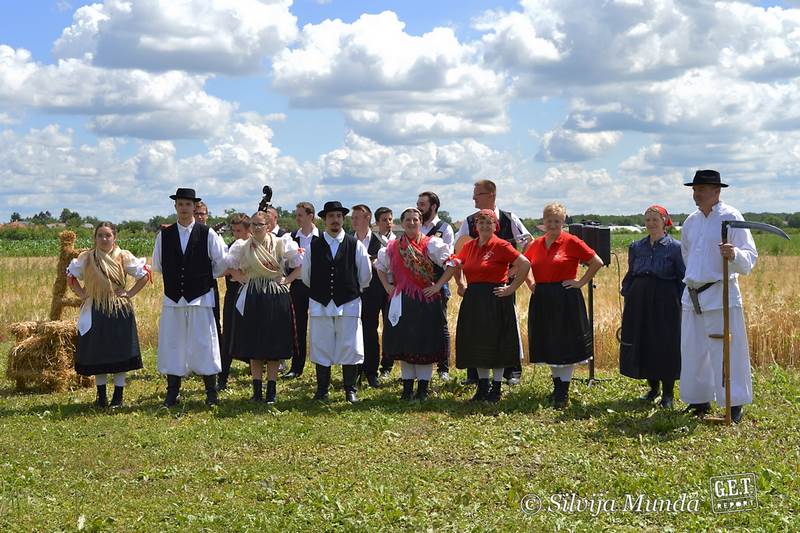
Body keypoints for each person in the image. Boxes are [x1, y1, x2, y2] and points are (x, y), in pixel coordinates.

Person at [425, 209, 530, 402]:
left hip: (496, 297)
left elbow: (524, 264)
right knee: (478, 342)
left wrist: (511, 288)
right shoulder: (469, 247)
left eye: (488, 223)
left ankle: (496, 389)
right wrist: (444, 285)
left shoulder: (502, 245)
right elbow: (454, 265)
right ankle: (482, 388)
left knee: (496, 343)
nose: (484, 226)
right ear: (475, 226)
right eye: (480, 223)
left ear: (495, 226)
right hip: (474, 299)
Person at [679, 170, 757, 423]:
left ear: (716, 191)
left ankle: (733, 404)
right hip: (692, 295)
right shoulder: (691, 221)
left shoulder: (730, 217)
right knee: (693, 349)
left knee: (726, 349)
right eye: (695, 188)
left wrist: (733, 254)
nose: (696, 193)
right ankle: (698, 400)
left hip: (720, 292)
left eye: (701, 189)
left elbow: (750, 257)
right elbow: (687, 255)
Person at [152, 188, 227, 407]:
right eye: (180, 204)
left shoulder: (207, 234)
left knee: (204, 343)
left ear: (194, 207)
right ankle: (172, 392)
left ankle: (211, 392)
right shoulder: (164, 235)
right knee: (173, 344)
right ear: (175, 207)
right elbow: (158, 265)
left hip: (201, 298)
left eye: (188, 204)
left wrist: (204, 277)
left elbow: (221, 263)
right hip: (173, 299)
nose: (184, 208)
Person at [524, 202, 604, 408]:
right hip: (543, 297)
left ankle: (563, 393)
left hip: (565, 297)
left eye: (557, 221)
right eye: (549, 220)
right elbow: (522, 265)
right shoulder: (536, 244)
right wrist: (531, 283)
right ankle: (557, 386)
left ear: (563, 222)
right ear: (543, 221)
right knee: (549, 342)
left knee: (565, 344)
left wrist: (580, 282)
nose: (552, 225)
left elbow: (597, 261)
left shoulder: (571, 241)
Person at [454, 179, 532, 386]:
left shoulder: (509, 218)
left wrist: (513, 272)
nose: (473, 198)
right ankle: (476, 374)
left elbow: (527, 242)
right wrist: (461, 282)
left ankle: (512, 370)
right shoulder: (469, 221)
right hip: (476, 288)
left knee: (506, 327)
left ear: (491, 195)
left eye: (477, 194)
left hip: (501, 286)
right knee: (476, 330)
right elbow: (457, 251)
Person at [66, 222, 150, 407]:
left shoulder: (123, 256)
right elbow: (71, 277)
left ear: (114, 237)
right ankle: (101, 397)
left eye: (107, 235)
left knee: (120, 353)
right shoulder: (86, 258)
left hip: (119, 309)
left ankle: (118, 397)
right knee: (99, 353)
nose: (104, 239)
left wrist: (129, 293)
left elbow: (144, 275)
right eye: (100, 235)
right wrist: (82, 295)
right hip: (96, 309)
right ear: (95, 238)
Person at [224, 211, 301, 404]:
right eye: (253, 224)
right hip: (253, 296)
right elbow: (227, 265)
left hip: (275, 297)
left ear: (268, 225)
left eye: (260, 224)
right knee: (254, 343)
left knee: (273, 345)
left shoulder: (281, 243)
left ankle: (272, 391)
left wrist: (287, 280)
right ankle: (257, 391)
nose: (256, 228)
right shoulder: (243, 246)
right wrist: (241, 278)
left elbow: (299, 264)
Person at [375, 207, 452, 401]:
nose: (411, 223)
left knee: (423, 344)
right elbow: (380, 267)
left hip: (426, 300)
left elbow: (452, 263)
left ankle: (423, 390)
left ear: (420, 222)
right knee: (406, 344)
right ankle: (407, 389)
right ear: (402, 222)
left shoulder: (432, 244)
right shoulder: (392, 247)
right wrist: (387, 287)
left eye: (415, 220)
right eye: (407, 219)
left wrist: (438, 287)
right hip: (402, 300)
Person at [301, 201, 372, 403]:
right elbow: (306, 276)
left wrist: (349, 290)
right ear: (324, 220)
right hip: (320, 303)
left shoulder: (355, 244)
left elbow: (365, 276)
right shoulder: (313, 246)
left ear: (343, 219)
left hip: (348, 302)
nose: (335, 220)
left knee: (350, 346)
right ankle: (322, 389)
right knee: (321, 345)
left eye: (339, 216)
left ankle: (350, 389)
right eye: (331, 216)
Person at [619, 205, 685, 408]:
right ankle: (652, 389)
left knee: (665, 344)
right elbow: (631, 273)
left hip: (665, 300)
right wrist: (628, 292)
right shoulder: (636, 246)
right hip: (639, 299)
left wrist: (680, 302)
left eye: (655, 219)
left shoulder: (675, 247)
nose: (651, 223)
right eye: (647, 220)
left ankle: (668, 394)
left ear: (665, 221)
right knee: (644, 341)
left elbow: (682, 276)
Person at [417, 191, 455, 382]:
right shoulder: (415, 227)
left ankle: (443, 368)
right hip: (415, 287)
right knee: (417, 327)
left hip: (438, 285)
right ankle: (419, 365)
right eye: (418, 204)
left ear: (433, 207)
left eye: (422, 204)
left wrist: (439, 285)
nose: (418, 208)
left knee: (441, 327)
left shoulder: (445, 229)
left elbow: (448, 260)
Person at [351, 204, 388, 388]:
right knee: (354, 333)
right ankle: (355, 371)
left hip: (374, 293)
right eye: (352, 217)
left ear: (367, 219)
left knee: (371, 331)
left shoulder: (381, 242)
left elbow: (389, 268)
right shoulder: (348, 241)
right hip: (353, 294)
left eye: (357, 217)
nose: (353, 221)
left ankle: (372, 372)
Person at [282, 202, 319, 379]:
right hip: (297, 285)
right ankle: (297, 367)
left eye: (300, 215)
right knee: (298, 327)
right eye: (296, 215)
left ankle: (322, 366)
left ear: (310, 216)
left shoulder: (322, 237)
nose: (297, 218)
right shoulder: (291, 238)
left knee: (320, 326)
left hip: (319, 286)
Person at [217, 213, 251, 390]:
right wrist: (230, 270)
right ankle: (222, 377)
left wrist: (243, 275)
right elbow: (220, 268)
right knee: (229, 333)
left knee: (253, 333)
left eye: (239, 230)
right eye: (234, 230)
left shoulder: (255, 245)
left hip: (252, 294)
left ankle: (256, 376)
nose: (236, 234)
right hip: (233, 294)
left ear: (248, 229)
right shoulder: (231, 247)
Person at [194, 200, 224, 370]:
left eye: (202, 214)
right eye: (197, 213)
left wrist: (209, 275)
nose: (200, 217)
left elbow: (221, 261)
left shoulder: (212, 234)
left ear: (207, 215)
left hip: (208, 283)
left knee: (213, 321)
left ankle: (215, 361)